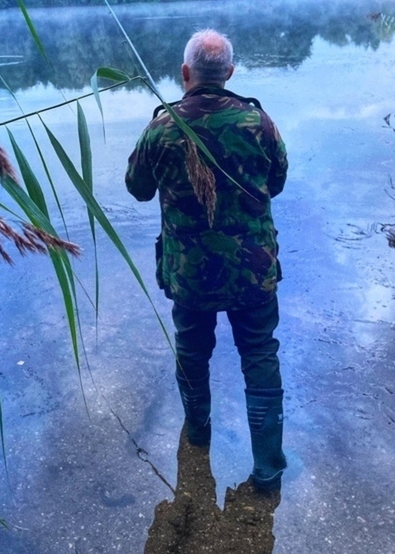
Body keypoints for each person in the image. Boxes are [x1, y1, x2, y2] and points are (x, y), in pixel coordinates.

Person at [125, 28, 288, 491]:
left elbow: (137, 189)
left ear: (185, 73)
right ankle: (268, 469)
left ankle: (197, 435)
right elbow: (276, 182)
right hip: (252, 273)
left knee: (193, 352)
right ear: (229, 73)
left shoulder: (162, 128)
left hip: (190, 275)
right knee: (259, 355)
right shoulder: (259, 123)